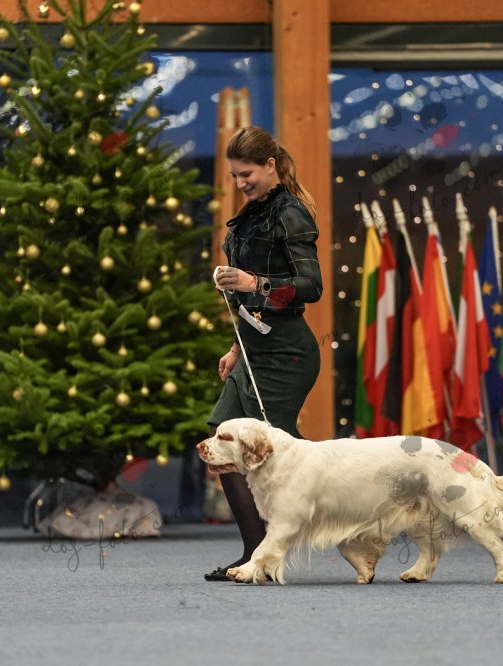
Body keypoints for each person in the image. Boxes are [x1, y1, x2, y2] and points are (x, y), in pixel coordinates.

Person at [204, 126, 323, 581]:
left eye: (247, 174)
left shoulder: (290, 211)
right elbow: (251, 305)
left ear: (270, 166)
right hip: (254, 351)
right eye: (234, 176)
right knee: (221, 436)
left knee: (269, 452)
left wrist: (253, 282)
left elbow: (311, 286)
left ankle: (266, 554)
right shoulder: (253, 213)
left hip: (287, 354)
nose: (240, 184)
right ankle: (255, 553)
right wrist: (237, 347)